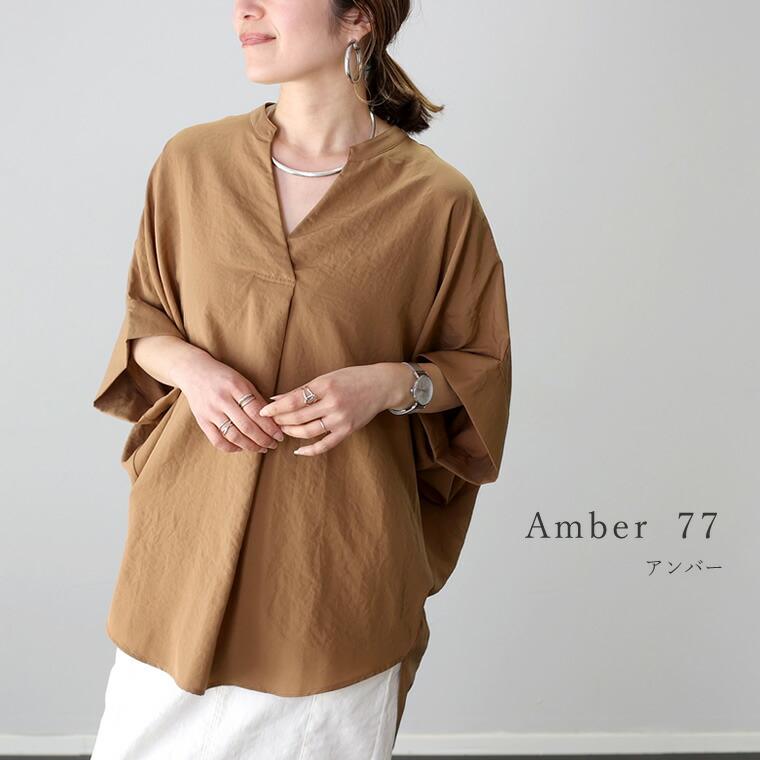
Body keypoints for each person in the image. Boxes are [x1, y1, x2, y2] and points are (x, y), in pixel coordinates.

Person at [90, 0, 512, 757]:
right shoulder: (191, 163)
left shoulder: (436, 200)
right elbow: (144, 320)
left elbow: (478, 366)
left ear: (358, 19)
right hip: (184, 549)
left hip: (334, 568)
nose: (243, 9)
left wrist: (389, 385)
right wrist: (195, 370)